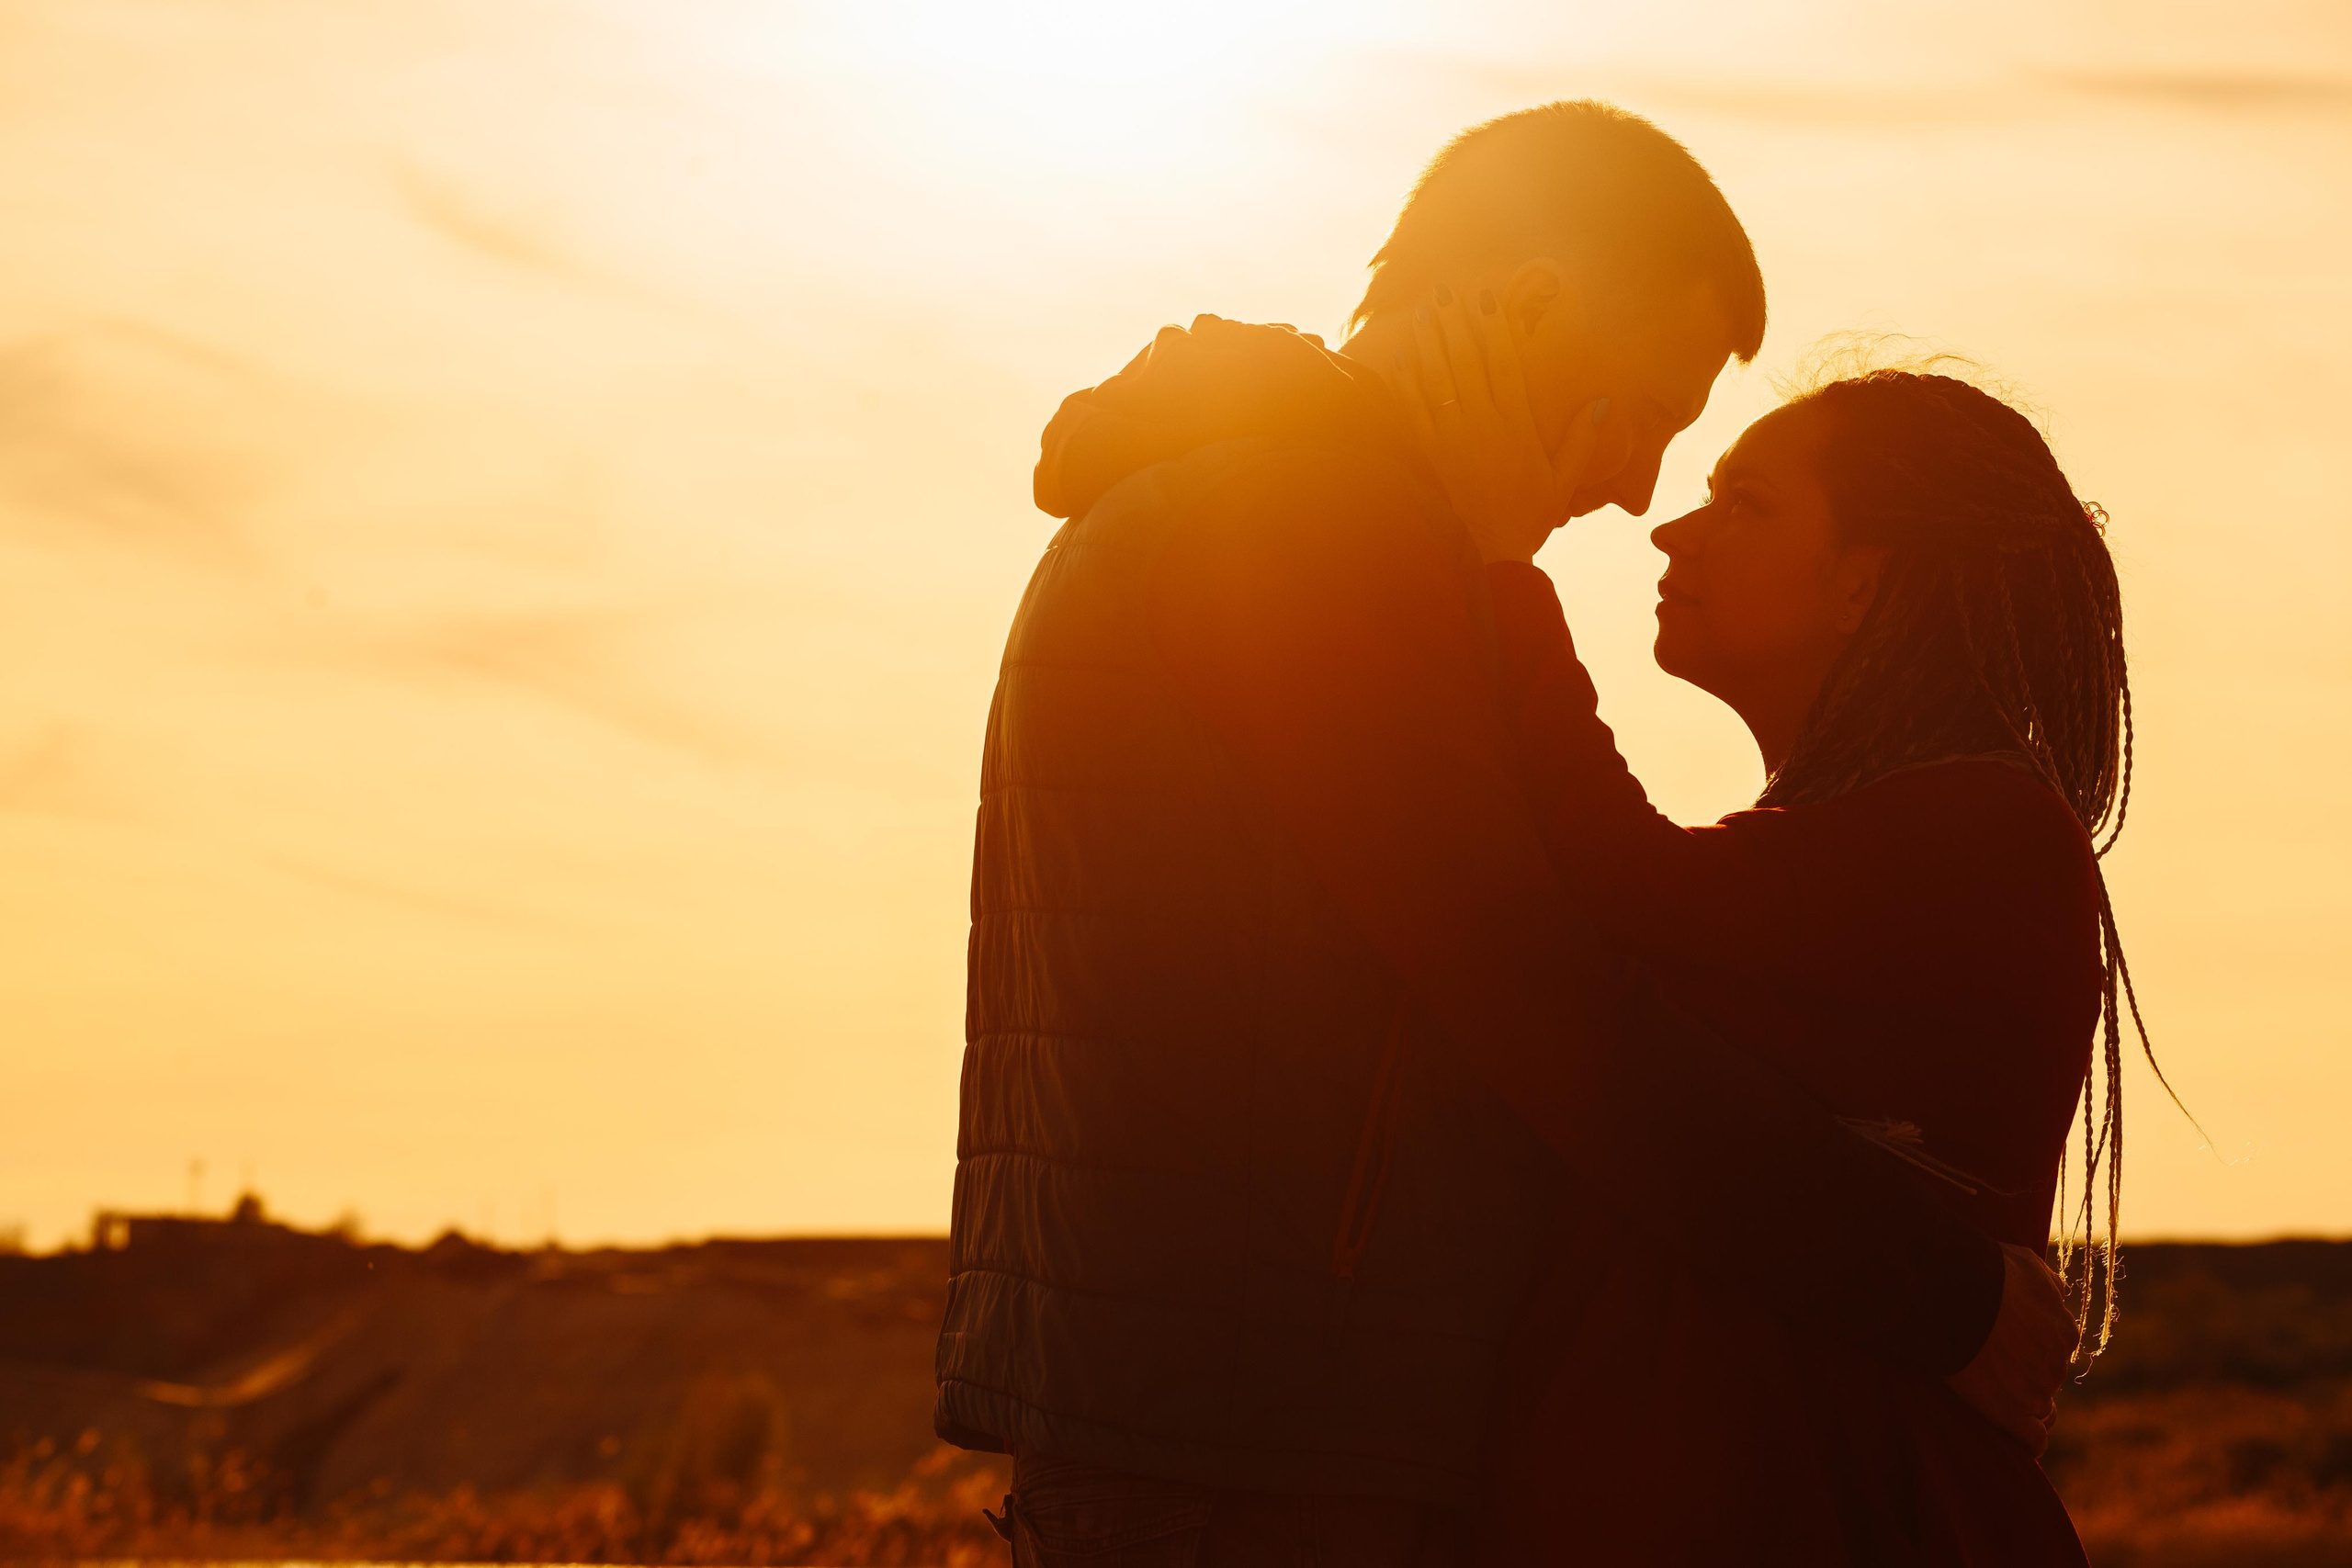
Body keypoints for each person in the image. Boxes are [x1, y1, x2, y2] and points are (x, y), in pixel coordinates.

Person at [939, 101, 2076, 1566]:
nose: (1636, 489)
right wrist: (1937, 1296)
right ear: (1530, 305)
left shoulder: (1231, 497)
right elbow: (1542, 992)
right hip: (1269, 1450)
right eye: (1646, 413)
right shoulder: (1313, 526)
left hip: (1228, 1423)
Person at [1397, 295, 2140, 1562]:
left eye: (1746, 504)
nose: (1671, 531)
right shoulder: (1886, 838)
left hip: (1848, 1510)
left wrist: (1497, 560)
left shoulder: (1983, 833)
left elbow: (1600, 899)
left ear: (1864, 585)